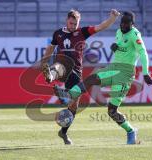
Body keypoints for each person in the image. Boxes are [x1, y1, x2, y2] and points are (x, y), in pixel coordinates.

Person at [54, 11, 152, 144]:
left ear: (132, 24)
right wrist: (115, 48)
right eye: (122, 23)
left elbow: (143, 52)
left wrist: (146, 72)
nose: (123, 26)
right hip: (113, 68)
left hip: (125, 74)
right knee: (91, 79)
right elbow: (123, 49)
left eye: (126, 24)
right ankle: (68, 94)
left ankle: (131, 131)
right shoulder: (119, 32)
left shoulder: (135, 35)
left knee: (112, 111)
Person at [41, 9, 120, 145]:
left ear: (79, 22)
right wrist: (44, 61)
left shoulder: (83, 32)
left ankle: (63, 132)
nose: (73, 26)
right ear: (67, 21)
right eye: (71, 23)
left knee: (73, 108)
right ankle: (51, 75)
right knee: (60, 66)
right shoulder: (58, 33)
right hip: (61, 66)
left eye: (75, 23)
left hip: (76, 72)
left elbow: (101, 27)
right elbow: (51, 47)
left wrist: (112, 18)